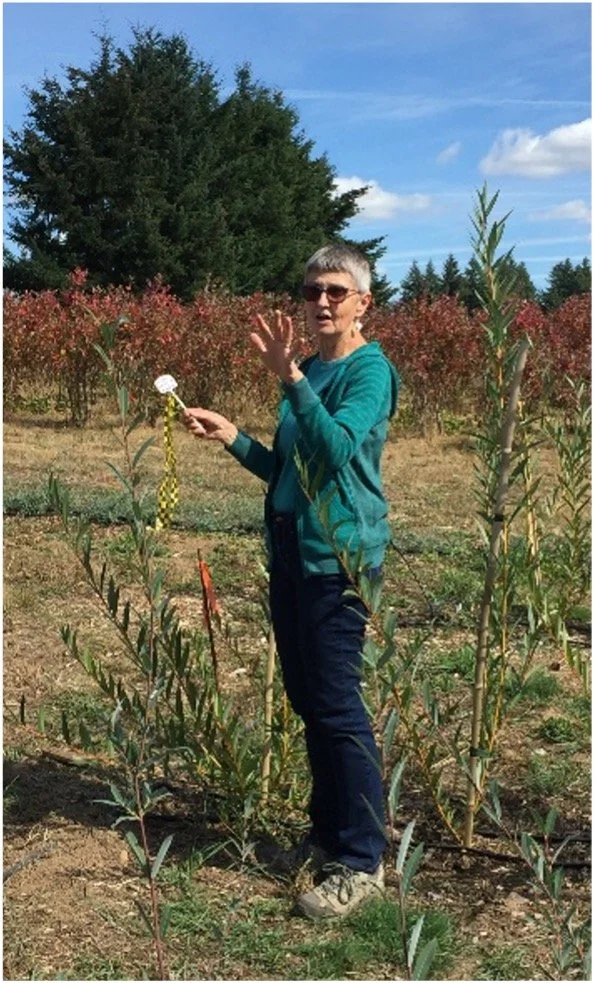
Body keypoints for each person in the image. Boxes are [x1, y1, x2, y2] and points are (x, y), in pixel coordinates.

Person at [183, 243, 400, 919]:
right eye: (311, 292)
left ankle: (363, 860)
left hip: (338, 557)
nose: (322, 303)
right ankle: (330, 832)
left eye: (337, 291)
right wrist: (236, 439)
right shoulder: (306, 367)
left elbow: (333, 453)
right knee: (309, 699)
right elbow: (291, 471)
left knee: (337, 706)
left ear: (364, 301)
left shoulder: (369, 371)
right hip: (291, 551)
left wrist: (291, 382)